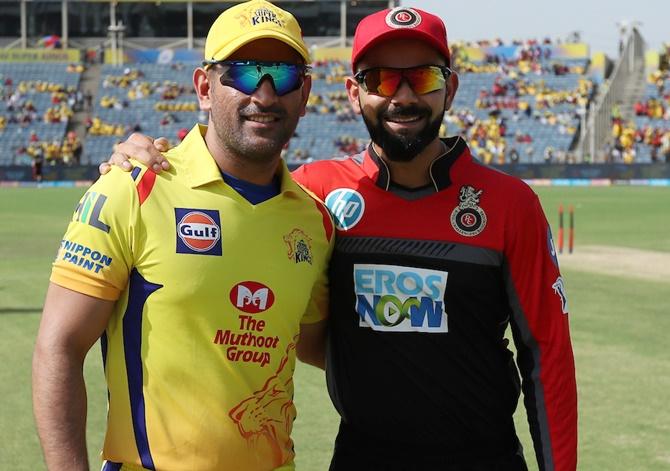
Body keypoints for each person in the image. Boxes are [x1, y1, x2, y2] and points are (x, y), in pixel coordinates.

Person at [102, 6, 578, 471]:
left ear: (450, 89)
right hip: (362, 457)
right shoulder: (314, 197)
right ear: (354, 93)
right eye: (381, 80)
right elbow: (229, 186)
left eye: (424, 78)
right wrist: (138, 158)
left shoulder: (510, 204)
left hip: (485, 459)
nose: (403, 96)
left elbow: (548, 357)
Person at [32, 1, 334, 470]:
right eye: (244, 73)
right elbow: (59, 347)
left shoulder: (315, 223)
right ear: (204, 87)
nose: (266, 94)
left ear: (306, 91)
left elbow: (320, 345)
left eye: (285, 73)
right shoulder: (133, 187)